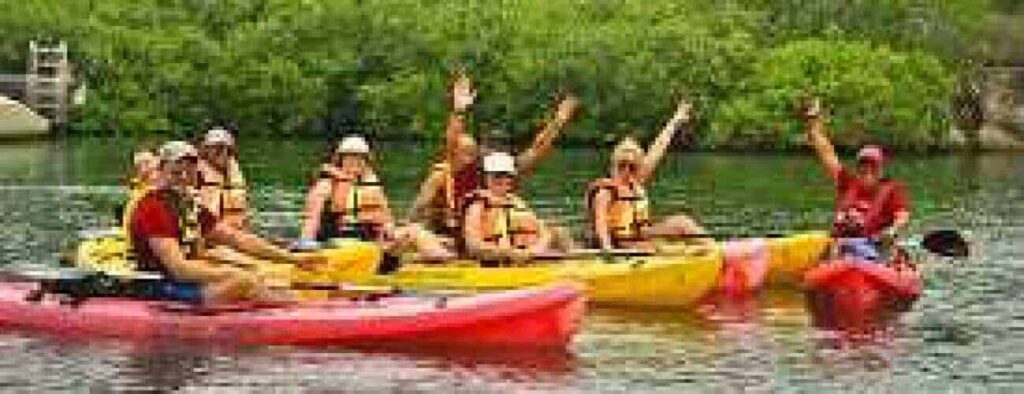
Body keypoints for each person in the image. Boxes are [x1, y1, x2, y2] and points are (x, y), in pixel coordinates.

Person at [128, 141, 310, 303]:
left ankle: (296, 307)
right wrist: (230, 273)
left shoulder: (189, 205)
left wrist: (293, 258)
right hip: (159, 287)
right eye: (176, 172)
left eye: (189, 171)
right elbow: (179, 269)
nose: (184, 177)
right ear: (161, 171)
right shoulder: (152, 209)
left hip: (185, 282)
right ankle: (292, 314)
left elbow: (236, 238)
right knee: (243, 280)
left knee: (256, 279)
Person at [408, 74, 579, 240]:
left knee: (559, 233)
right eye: (488, 148)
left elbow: (537, 149)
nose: (501, 178)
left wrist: (558, 122)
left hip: (496, 236)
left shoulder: (508, 168)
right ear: (480, 151)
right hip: (460, 237)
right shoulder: (462, 170)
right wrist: (459, 110)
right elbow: (451, 145)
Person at [585, 98, 712, 252]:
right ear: (613, 166)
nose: (626, 171)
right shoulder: (604, 192)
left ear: (637, 168)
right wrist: (608, 249)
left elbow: (657, 149)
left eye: (632, 167)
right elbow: (601, 224)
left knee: (681, 222)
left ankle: (716, 252)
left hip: (638, 238)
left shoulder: (635, 182)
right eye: (622, 166)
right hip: (619, 245)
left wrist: (675, 121)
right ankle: (710, 255)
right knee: (666, 245)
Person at [297, 136, 451, 259]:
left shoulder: (371, 185)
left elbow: (386, 220)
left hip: (370, 244)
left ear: (366, 161)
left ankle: (445, 262)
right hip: (338, 246)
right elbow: (312, 218)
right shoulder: (326, 185)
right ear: (340, 160)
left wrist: (391, 233)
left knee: (417, 231)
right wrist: (306, 244)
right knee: (410, 238)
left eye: (360, 158)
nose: (355, 162)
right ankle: (445, 266)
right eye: (350, 157)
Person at [801, 99, 911, 261]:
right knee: (838, 247)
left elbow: (902, 215)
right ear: (857, 167)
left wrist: (892, 230)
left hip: (874, 246)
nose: (867, 171)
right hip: (842, 246)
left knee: (859, 250)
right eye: (863, 166)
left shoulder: (891, 190)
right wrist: (814, 121)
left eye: (873, 167)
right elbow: (827, 153)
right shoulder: (848, 182)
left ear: (880, 169)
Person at [462, 152, 571, 262]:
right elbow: (473, 244)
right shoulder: (477, 206)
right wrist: (506, 253)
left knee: (559, 232)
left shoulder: (518, 203)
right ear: (486, 177)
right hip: (496, 261)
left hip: (531, 257)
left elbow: (543, 232)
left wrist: (534, 250)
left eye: (507, 175)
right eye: (497, 175)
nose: (503, 179)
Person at [197, 127, 249, 230]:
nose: (221, 152)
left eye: (225, 148)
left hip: (236, 229)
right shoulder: (196, 173)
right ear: (205, 150)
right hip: (211, 230)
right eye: (215, 148)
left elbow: (243, 208)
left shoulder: (233, 173)